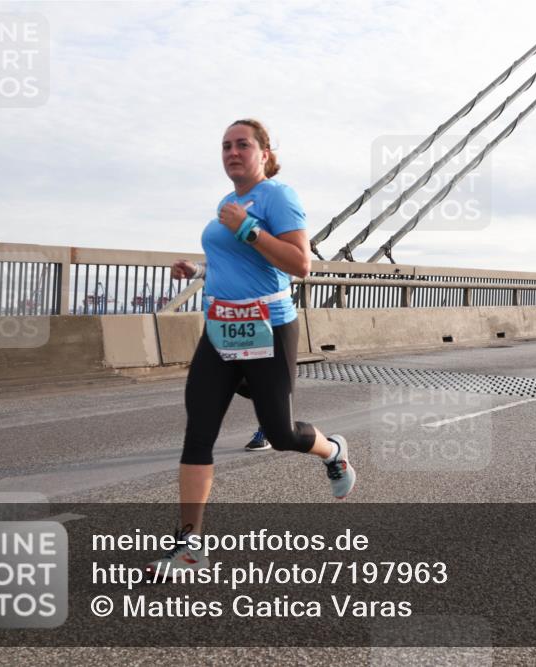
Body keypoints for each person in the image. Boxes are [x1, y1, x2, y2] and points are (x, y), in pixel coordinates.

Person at [147, 119, 356, 578]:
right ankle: (189, 548)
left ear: (265, 153)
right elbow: (237, 262)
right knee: (198, 433)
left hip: (268, 328)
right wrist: (199, 270)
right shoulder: (228, 202)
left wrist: (247, 229)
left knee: (280, 434)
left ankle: (333, 451)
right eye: (226, 146)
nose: (232, 152)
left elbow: (300, 264)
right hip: (220, 329)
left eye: (243, 144)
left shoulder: (278, 196)